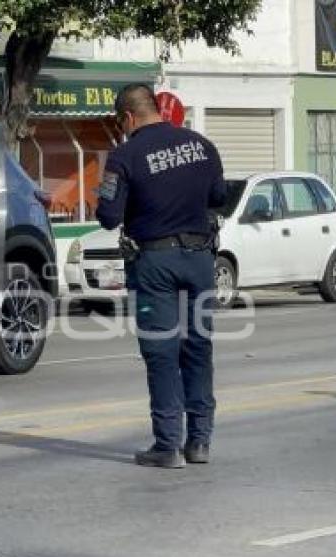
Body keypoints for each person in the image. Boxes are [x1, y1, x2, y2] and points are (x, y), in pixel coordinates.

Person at [95, 84, 227, 469]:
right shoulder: (202, 145)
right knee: (198, 348)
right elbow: (217, 196)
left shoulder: (125, 155)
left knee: (162, 352)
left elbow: (108, 217)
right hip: (200, 259)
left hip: (154, 264)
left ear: (127, 118)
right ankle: (200, 442)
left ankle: (168, 445)